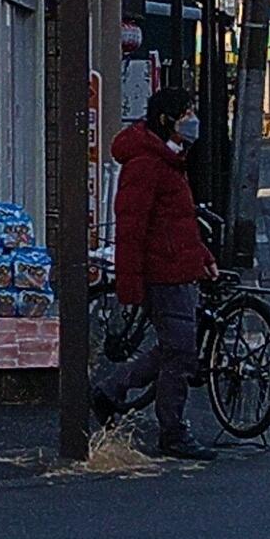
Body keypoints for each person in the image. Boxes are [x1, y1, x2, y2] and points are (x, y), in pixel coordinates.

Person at [94, 83, 215, 459]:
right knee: (181, 353)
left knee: (174, 347)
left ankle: (112, 388)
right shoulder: (149, 163)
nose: (192, 120)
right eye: (186, 114)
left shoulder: (167, 158)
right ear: (167, 120)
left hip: (176, 265)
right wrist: (128, 286)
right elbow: (131, 226)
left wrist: (202, 254)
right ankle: (173, 431)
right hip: (164, 271)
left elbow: (176, 222)